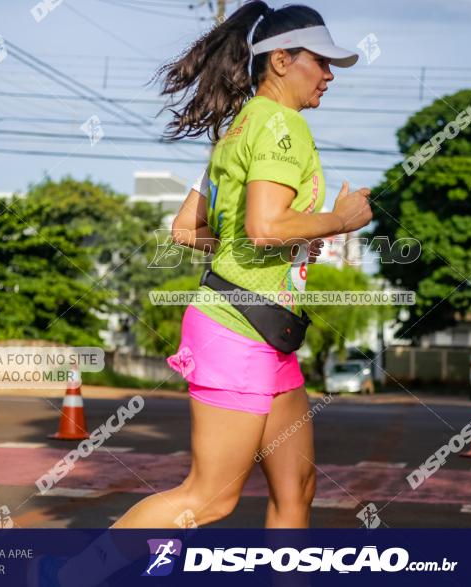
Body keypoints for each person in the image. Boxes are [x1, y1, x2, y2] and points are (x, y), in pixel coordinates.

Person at [111, 0, 373, 531]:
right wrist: (336, 220)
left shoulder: (237, 128)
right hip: (239, 331)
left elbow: (189, 229)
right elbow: (266, 226)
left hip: (266, 332)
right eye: (319, 62)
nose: (328, 75)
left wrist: (286, 243)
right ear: (280, 60)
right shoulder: (281, 125)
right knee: (207, 500)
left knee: (296, 488)